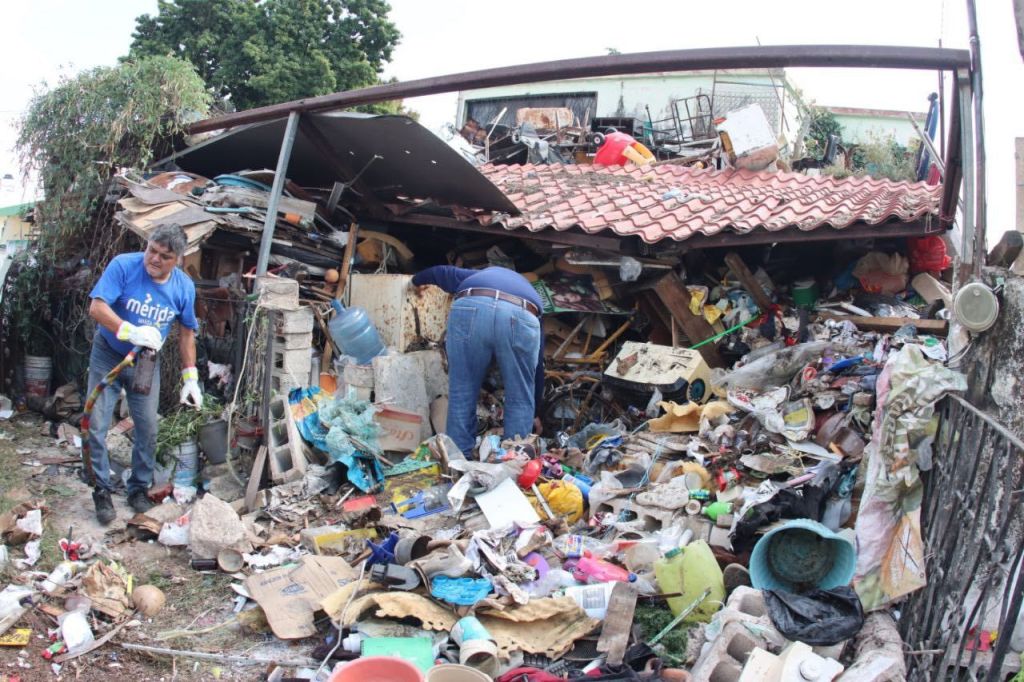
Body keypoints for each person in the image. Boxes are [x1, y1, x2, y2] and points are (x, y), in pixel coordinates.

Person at [85, 224, 202, 524]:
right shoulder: (124, 266)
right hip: (109, 354)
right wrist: (129, 330)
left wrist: (191, 377)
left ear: (177, 259)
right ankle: (101, 490)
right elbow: (97, 308)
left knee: (148, 426)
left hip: (146, 362)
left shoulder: (183, 287)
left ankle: (138, 488)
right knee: (96, 422)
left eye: (165, 256)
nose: (154, 259)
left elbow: (187, 332)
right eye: (152, 250)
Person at [412, 265, 544, 456]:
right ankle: (514, 463)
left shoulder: (478, 275)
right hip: (522, 312)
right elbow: (536, 368)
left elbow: (439, 272)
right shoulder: (529, 292)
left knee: (462, 391)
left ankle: (457, 463)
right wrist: (535, 411)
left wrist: (416, 281)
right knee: (520, 396)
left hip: (472, 304)